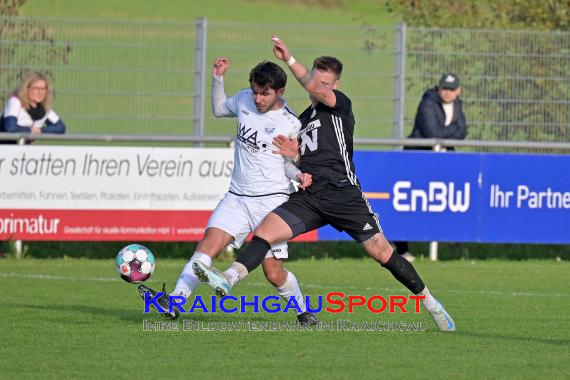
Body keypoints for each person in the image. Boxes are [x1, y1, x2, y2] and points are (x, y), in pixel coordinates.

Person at [192, 36, 456, 332]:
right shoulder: (300, 120)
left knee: (383, 254)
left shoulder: (340, 106)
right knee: (265, 231)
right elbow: (301, 163)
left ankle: (430, 302)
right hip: (312, 196)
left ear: (335, 86)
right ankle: (227, 279)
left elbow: (316, 92)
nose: (319, 87)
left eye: (326, 84)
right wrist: (295, 159)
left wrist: (289, 59)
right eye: (317, 81)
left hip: (344, 195)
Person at [138, 58, 318, 326]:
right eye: (255, 91)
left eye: (264, 93)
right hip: (236, 197)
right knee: (207, 246)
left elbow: (288, 165)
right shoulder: (245, 99)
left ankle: (303, 310)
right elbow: (220, 108)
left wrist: (299, 173)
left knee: (273, 273)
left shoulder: (289, 123)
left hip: (271, 203)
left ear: (280, 91)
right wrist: (217, 78)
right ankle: (175, 302)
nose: (257, 98)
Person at [394, 73, 468, 262]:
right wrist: (450, 133)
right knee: (407, 204)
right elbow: (433, 132)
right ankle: (401, 248)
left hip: (439, 160)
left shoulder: (457, 104)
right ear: (438, 88)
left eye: (452, 89)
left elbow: (464, 131)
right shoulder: (428, 102)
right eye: (444, 88)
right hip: (415, 158)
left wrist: (446, 135)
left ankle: (447, 246)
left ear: (458, 90)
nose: (448, 93)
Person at [1, 71, 66, 143]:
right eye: (36, 88)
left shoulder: (44, 108)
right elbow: (10, 128)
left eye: (43, 89)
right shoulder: (15, 102)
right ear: (26, 88)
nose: (40, 92)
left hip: (23, 149)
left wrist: (40, 131)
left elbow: (60, 127)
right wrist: (30, 130)